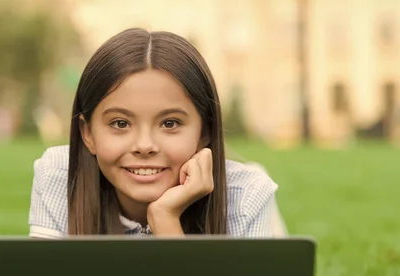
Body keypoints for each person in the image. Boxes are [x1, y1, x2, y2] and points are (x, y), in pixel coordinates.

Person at [28, 28, 284, 238]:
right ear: (88, 134)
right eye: (120, 123)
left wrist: (165, 218)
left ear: (204, 133)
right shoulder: (59, 175)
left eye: (170, 123)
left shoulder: (245, 198)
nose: (144, 145)